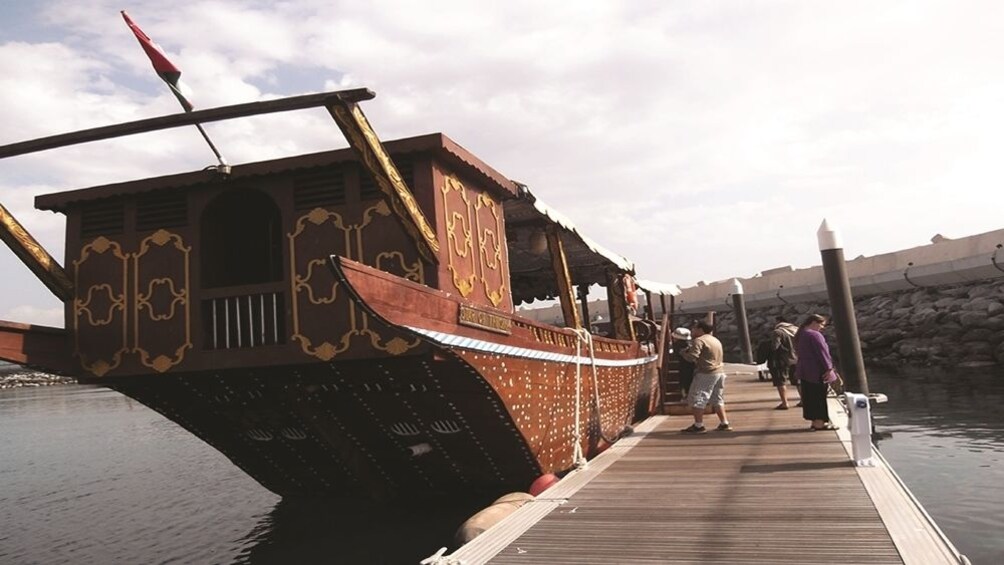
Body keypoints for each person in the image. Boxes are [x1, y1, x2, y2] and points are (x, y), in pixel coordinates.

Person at [680, 320, 732, 433]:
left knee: (698, 398)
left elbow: (692, 357)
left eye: (695, 328)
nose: (693, 330)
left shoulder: (699, 340)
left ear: (701, 330)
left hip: (706, 373)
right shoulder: (715, 340)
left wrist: (683, 353)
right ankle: (724, 423)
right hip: (719, 372)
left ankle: (699, 425)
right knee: (717, 398)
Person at [794, 313, 838, 431]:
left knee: (809, 397)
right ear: (814, 322)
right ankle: (820, 422)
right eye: (821, 324)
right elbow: (823, 353)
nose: (822, 327)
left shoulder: (800, 334)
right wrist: (829, 369)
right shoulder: (814, 335)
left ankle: (814, 422)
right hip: (816, 371)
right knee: (819, 397)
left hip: (804, 370)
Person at [768, 316, 800, 410]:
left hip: (782, 360)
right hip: (796, 358)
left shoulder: (778, 332)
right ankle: (803, 400)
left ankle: (785, 402)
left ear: (778, 322)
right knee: (797, 381)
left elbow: (775, 346)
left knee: (781, 381)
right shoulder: (795, 330)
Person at [671, 327, 696, 397]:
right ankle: (687, 393)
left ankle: (685, 394)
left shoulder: (677, 345)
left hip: (684, 365)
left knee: (684, 380)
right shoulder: (689, 344)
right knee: (689, 379)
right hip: (691, 365)